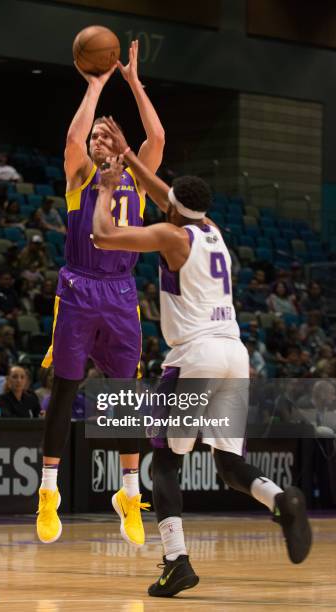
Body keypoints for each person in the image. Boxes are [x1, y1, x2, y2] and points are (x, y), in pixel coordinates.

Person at [92, 122, 312, 596]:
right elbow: (167, 195)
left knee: (165, 463)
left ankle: (176, 562)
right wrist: (129, 155)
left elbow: (104, 237)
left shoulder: (173, 238)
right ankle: (282, 500)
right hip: (236, 355)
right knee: (230, 466)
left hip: (197, 358)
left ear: (173, 210)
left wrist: (107, 189)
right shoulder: (211, 229)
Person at [37, 40, 165, 547]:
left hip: (120, 292)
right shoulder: (80, 176)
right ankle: (48, 493)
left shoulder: (135, 173)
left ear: (117, 143)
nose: (94, 140)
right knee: (66, 390)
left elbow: (156, 134)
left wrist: (133, 82)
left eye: (102, 136)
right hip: (78, 287)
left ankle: (129, 495)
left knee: (125, 398)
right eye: (92, 136)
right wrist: (94, 88)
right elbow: (71, 137)